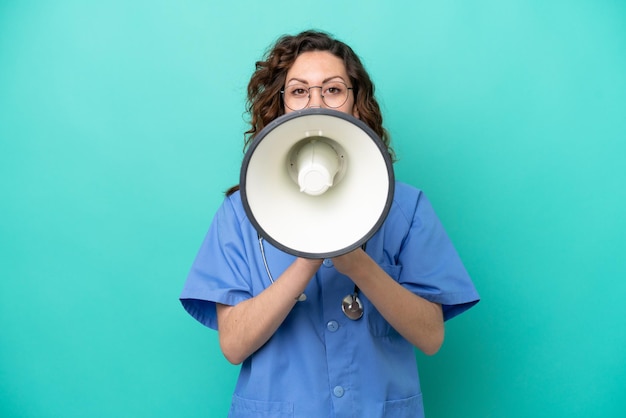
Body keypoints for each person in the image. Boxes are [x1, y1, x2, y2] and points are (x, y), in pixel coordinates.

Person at [180, 29, 480, 418]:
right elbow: (234, 345)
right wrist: (309, 253)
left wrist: (356, 262)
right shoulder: (240, 213)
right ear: (280, 105)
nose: (315, 103)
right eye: (299, 91)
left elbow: (431, 336)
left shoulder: (406, 208)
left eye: (333, 89)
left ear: (356, 104)